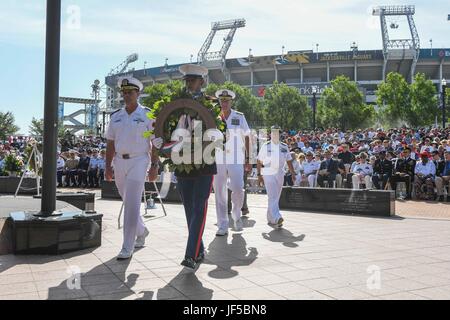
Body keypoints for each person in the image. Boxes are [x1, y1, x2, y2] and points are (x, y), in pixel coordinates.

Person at [105, 76, 162, 260]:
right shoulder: (116, 117)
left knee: (132, 203)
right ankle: (142, 230)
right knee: (127, 200)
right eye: (124, 92)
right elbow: (110, 143)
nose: (127, 95)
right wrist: (107, 166)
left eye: (130, 92)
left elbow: (156, 143)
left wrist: (154, 166)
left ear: (138, 93)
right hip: (119, 161)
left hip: (139, 160)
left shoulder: (148, 115)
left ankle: (127, 246)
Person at [167, 64, 217, 269]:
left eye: (193, 81)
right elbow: (167, 126)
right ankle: (199, 249)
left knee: (199, 207)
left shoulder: (210, 103)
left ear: (202, 82)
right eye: (187, 81)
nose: (189, 84)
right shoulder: (175, 104)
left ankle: (191, 255)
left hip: (204, 162)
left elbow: (218, 131)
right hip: (182, 162)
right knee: (189, 209)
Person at [213, 89, 252, 237]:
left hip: (236, 157)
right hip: (218, 158)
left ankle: (236, 216)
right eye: (222, 100)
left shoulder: (239, 117)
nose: (224, 103)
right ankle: (222, 224)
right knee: (219, 191)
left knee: (238, 188)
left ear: (231, 102)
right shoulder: (213, 117)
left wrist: (248, 159)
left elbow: (247, 137)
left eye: (226, 100)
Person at [257, 126, 296, 228]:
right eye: (274, 133)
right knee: (272, 195)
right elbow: (259, 161)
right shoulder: (266, 146)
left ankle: (270, 218)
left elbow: (288, 161)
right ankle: (277, 217)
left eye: (278, 133)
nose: (275, 134)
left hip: (280, 172)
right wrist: (259, 174)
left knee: (276, 196)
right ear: (270, 134)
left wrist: (292, 173)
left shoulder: (284, 146)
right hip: (268, 171)